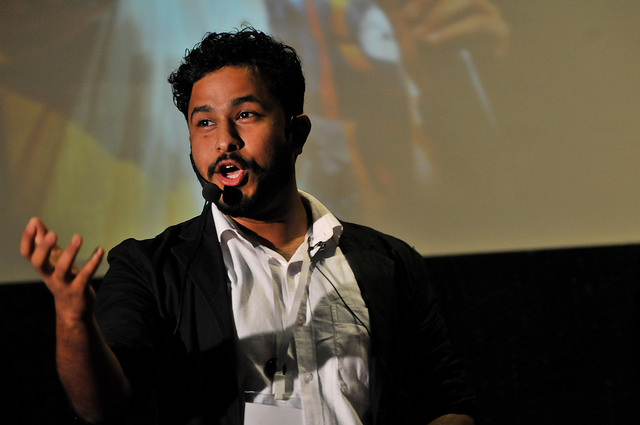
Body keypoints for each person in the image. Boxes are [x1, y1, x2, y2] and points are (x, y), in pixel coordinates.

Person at [20, 28, 476, 425]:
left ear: (296, 133)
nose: (224, 141)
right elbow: (100, 406)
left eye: (245, 115)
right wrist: (73, 318)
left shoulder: (388, 263)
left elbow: (444, 402)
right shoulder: (149, 268)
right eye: (204, 122)